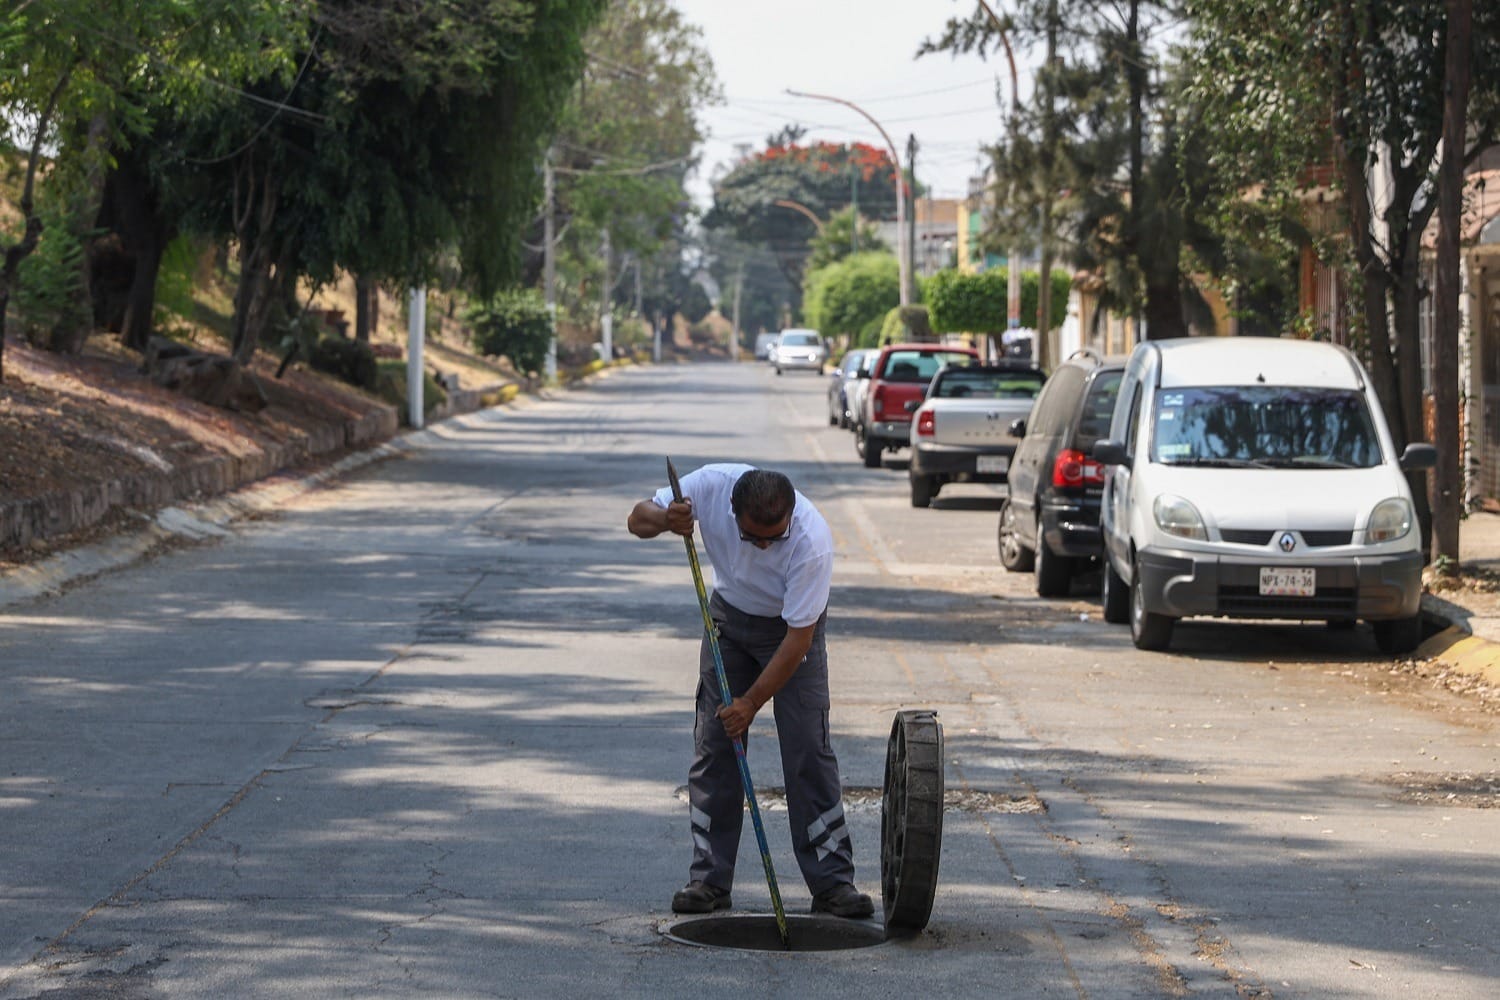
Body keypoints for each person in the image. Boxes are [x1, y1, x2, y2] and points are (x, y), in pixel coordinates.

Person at [627, 463, 874, 919]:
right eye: (752, 537)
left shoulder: (810, 541)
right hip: (728, 623)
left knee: (807, 750)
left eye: (772, 538)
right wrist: (668, 520)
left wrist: (750, 703)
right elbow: (636, 519)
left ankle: (833, 883)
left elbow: (797, 642)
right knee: (714, 747)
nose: (764, 546)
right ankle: (708, 879)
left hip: (790, 631)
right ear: (731, 512)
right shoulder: (710, 486)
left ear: (790, 515)